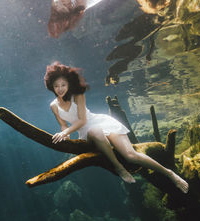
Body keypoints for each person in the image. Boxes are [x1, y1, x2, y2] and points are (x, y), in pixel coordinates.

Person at [44, 62, 189, 193]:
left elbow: (82, 120)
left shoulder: (78, 95)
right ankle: (119, 167)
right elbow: (64, 125)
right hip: (87, 134)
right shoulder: (53, 106)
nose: (60, 89)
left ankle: (170, 174)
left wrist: (67, 132)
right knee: (94, 131)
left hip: (100, 121)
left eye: (63, 85)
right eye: (56, 86)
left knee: (131, 155)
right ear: (51, 86)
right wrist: (65, 136)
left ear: (69, 83)